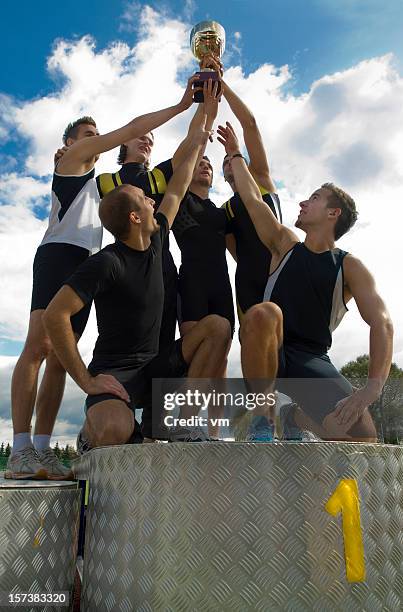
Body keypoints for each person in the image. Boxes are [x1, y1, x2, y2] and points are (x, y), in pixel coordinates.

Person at [6, 79, 199, 480]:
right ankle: (20, 447)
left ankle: (42, 449)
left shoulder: (104, 187)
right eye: (88, 135)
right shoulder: (72, 161)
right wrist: (181, 105)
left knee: (62, 354)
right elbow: (129, 129)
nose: (95, 140)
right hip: (60, 253)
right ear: (71, 142)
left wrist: (199, 115)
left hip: (86, 260)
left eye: (95, 135)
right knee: (39, 345)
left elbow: (168, 176)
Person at [43, 98, 232, 447]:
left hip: (157, 363)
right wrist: (87, 381)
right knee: (114, 428)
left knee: (218, 326)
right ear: (133, 216)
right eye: (145, 201)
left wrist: (207, 104)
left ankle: (180, 425)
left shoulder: (158, 234)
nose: (152, 201)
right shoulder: (106, 260)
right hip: (117, 374)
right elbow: (55, 314)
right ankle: (101, 434)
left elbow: (185, 166)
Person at [217, 121, 393, 442]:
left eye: (314, 198)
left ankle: (293, 417)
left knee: (361, 438)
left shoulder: (349, 266)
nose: (302, 203)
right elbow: (254, 200)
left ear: (333, 213)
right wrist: (234, 154)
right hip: (272, 349)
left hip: (312, 360)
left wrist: (371, 388)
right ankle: (264, 414)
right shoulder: (284, 243)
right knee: (261, 313)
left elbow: (381, 324)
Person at [172, 81, 235, 339]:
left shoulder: (222, 213)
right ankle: (195, 384)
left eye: (209, 164)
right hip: (191, 284)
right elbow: (192, 141)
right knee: (196, 353)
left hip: (222, 285)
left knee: (221, 350)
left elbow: (237, 253)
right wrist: (209, 108)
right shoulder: (180, 199)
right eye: (200, 162)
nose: (205, 165)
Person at [220, 79, 282, 322]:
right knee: (252, 346)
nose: (230, 162)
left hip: (280, 271)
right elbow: (235, 250)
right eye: (224, 163)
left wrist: (221, 85)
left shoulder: (263, 182)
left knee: (289, 346)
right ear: (224, 176)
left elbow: (251, 124)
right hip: (247, 283)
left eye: (233, 159)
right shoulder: (225, 210)